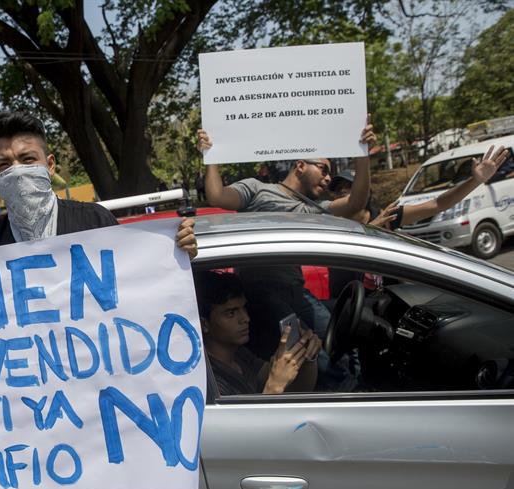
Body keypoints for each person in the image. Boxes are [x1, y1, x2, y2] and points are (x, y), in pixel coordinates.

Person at [0, 110, 198, 315]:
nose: (17, 170)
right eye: (4, 164)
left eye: (28, 160)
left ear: (49, 165)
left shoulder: (95, 222)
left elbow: (138, 285)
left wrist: (173, 254)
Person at [196, 121, 376, 357]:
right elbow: (218, 196)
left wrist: (363, 155)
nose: (328, 178)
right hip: (262, 293)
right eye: (324, 169)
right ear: (300, 166)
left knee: (341, 346)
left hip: (296, 291)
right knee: (314, 355)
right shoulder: (256, 190)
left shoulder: (311, 209)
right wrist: (211, 154)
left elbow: (356, 203)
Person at [196, 271, 320, 396]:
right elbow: (245, 416)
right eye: (231, 313)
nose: (245, 318)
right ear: (204, 324)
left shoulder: (239, 355)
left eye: (243, 308)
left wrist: (307, 356)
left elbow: (296, 391)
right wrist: (274, 386)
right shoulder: (208, 381)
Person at [332, 146, 509, 230]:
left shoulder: (388, 216)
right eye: (338, 188)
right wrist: (370, 229)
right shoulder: (331, 225)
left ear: (366, 192)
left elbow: (438, 204)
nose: (342, 192)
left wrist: (475, 181)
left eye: (349, 187)